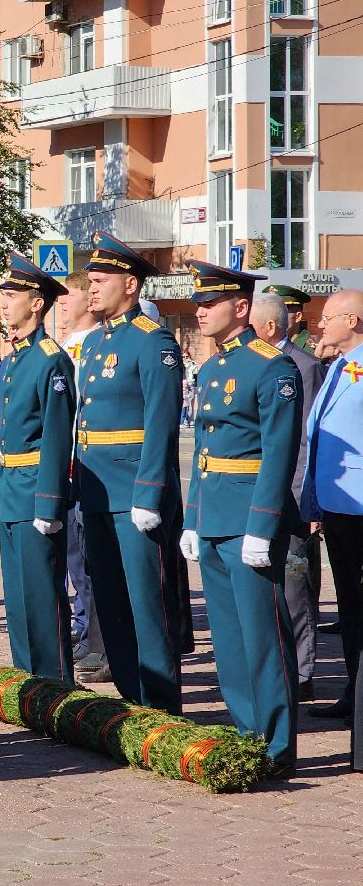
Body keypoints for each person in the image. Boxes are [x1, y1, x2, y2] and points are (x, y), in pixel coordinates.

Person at [176, 259, 301, 774]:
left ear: (242, 307)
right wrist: (192, 516)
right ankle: (246, 733)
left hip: (249, 520)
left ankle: (276, 745)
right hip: (213, 519)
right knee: (228, 640)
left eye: (210, 303)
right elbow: (205, 449)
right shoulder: (213, 367)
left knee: (262, 636)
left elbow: (279, 453)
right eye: (199, 303)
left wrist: (263, 525)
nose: (200, 311)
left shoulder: (273, 367)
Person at [74, 232, 185, 714]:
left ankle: (160, 701)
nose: (91, 289)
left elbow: (161, 423)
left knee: (146, 602)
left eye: (100, 281)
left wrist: (149, 492)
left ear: (131, 285)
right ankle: (128, 694)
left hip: (134, 492)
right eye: (90, 281)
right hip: (97, 492)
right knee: (111, 600)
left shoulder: (152, 340)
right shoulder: (98, 342)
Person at [0, 255, 77, 681]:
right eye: (3, 295)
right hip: (13, 489)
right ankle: (27, 679)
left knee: (42, 595)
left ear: (37, 303)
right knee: (18, 600)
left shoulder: (50, 360)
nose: (4, 303)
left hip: (35, 492)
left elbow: (58, 437)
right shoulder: (15, 360)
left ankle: (55, 682)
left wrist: (48, 503)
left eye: (13, 296)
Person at [252, 290, 325, 701]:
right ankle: (274, 668)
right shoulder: (253, 363)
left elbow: (305, 440)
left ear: (269, 327)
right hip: (259, 493)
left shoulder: (304, 365)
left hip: (293, 498)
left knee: (297, 588)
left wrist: (305, 497)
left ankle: (302, 673)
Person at [302, 288, 363, 728]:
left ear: (354, 321)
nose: (320, 325)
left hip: (360, 505)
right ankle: (353, 688)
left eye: (329, 317)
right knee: (348, 606)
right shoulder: (338, 368)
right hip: (337, 507)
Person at [56, 268, 107, 682]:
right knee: (76, 556)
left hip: (86, 461)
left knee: (87, 558)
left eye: (66, 299)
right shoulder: (69, 344)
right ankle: (83, 629)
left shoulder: (92, 345)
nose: (62, 307)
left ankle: (91, 634)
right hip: (70, 463)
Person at [265, 284, 315, 354]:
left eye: (280, 311)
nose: (272, 315)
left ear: (298, 317)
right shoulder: (261, 346)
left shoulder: (309, 352)